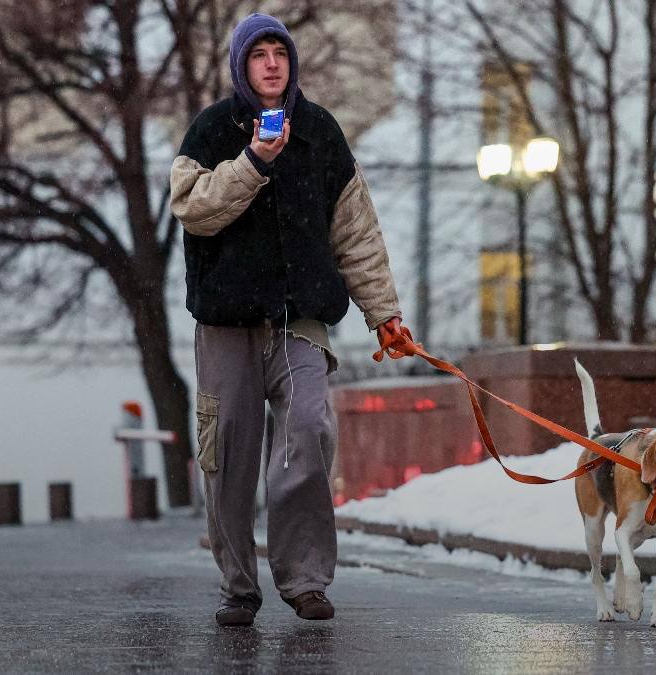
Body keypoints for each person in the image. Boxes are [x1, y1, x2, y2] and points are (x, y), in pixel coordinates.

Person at [169, 12, 408, 627]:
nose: (271, 63)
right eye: (259, 55)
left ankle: (304, 579)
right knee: (229, 454)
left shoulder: (321, 133)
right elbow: (192, 209)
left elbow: (356, 234)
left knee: (309, 427)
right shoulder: (213, 130)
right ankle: (239, 587)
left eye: (279, 52)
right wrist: (253, 161)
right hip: (226, 324)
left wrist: (384, 315)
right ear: (241, 67)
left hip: (298, 319)